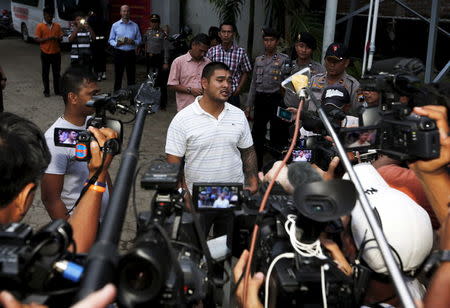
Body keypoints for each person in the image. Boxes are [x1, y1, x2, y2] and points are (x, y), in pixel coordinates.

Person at [165, 61, 258, 248]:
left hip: (231, 195)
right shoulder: (183, 119)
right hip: (198, 197)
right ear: (204, 83)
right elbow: (173, 163)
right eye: (220, 80)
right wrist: (184, 194)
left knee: (221, 251)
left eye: (230, 81)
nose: (226, 85)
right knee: (194, 251)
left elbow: (248, 151)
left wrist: (253, 180)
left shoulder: (238, 116)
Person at [41, 67, 111, 222]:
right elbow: (50, 199)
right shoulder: (54, 139)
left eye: (98, 92)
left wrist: (112, 209)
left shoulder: (92, 124)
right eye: (93, 94)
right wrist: (73, 238)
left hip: (103, 221)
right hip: (81, 225)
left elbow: (102, 168)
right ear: (73, 97)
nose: (99, 98)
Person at [246, 28, 290, 170]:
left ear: (276, 42)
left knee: (278, 133)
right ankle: (257, 166)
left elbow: (287, 83)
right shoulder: (259, 60)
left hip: (276, 99)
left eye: (271, 40)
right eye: (266, 40)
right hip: (260, 100)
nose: (268, 43)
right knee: (258, 133)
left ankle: (277, 166)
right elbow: (253, 83)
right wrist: (249, 105)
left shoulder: (283, 60)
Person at [206, 22, 252, 108]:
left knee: (233, 120)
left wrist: (239, 88)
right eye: (223, 32)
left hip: (233, 93)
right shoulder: (212, 51)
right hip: (215, 92)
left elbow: (246, 71)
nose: (226, 35)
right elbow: (207, 71)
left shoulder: (241, 52)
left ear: (233, 34)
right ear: (219, 34)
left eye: (229, 32)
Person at [309, 43, 360, 113]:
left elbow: (359, 112)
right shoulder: (314, 80)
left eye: (336, 61)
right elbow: (305, 106)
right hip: (313, 122)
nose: (332, 65)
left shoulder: (353, 85)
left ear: (346, 63)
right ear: (324, 60)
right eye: (329, 60)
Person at [167, 33, 211, 111]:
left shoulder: (208, 63)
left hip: (204, 107)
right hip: (185, 107)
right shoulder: (178, 62)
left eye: (205, 51)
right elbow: (171, 85)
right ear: (193, 45)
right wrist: (190, 90)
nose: (202, 54)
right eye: (200, 50)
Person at [284, 32, 325, 108]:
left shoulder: (319, 69)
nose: (304, 50)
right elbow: (282, 87)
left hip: (307, 113)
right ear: (296, 47)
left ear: (312, 50)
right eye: (301, 46)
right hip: (288, 110)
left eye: (308, 47)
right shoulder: (287, 65)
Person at [108, 5, 142, 91]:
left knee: (131, 77)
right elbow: (110, 40)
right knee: (118, 76)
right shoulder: (115, 25)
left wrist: (134, 42)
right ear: (120, 12)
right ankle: (116, 98)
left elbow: (139, 40)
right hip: (119, 53)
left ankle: (132, 99)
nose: (126, 13)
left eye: (127, 11)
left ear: (130, 13)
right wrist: (116, 44)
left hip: (131, 53)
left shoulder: (135, 26)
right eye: (124, 11)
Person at [35, 7, 63, 97]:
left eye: (51, 16)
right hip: (45, 53)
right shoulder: (40, 26)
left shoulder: (57, 26)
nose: (49, 18)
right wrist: (48, 38)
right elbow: (37, 39)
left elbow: (61, 37)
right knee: (45, 73)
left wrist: (58, 38)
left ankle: (57, 90)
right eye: (47, 16)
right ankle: (46, 91)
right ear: (44, 15)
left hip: (56, 53)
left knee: (56, 73)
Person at [144, 13, 170, 110]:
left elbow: (166, 48)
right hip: (150, 59)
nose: (154, 24)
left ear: (159, 23)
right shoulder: (147, 32)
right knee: (150, 81)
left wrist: (166, 62)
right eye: (152, 22)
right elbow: (145, 43)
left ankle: (162, 104)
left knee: (161, 82)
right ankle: (150, 102)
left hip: (159, 59)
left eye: (156, 22)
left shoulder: (163, 34)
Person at [87, 8, 108, 81]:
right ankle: (102, 73)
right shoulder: (103, 19)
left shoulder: (91, 19)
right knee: (101, 57)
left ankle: (99, 74)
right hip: (100, 41)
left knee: (97, 57)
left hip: (96, 41)